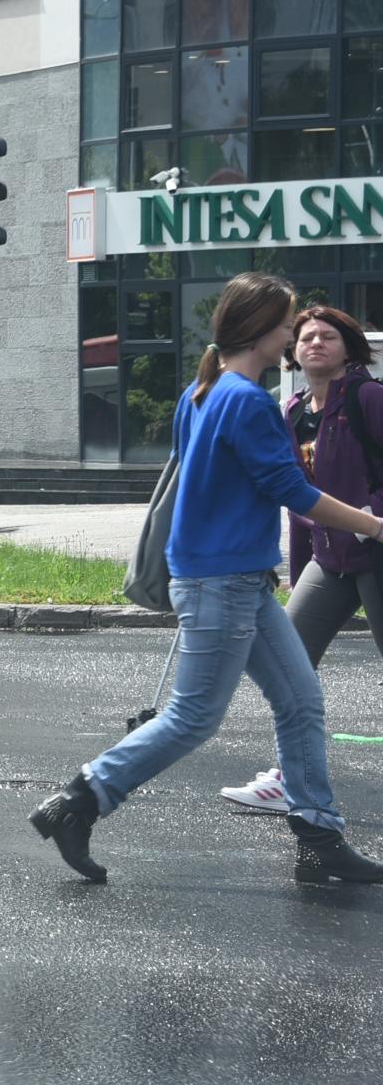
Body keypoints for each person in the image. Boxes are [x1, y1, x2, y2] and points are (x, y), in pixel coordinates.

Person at [30, 272, 383, 886]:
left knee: (300, 703)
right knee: (193, 717)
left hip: (234, 577)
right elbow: (291, 491)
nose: (289, 337)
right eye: (283, 325)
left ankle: (320, 839)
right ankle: (78, 802)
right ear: (257, 329)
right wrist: (374, 526)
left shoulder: (204, 392)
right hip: (220, 580)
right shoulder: (243, 399)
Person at [221, 305, 383, 812]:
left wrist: (372, 517)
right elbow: (298, 497)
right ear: (292, 350)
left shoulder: (368, 397)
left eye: (327, 336)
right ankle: (287, 779)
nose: (315, 342)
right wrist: (298, 568)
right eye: (306, 335)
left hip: (376, 550)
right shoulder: (291, 411)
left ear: (348, 346)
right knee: (289, 661)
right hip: (329, 559)